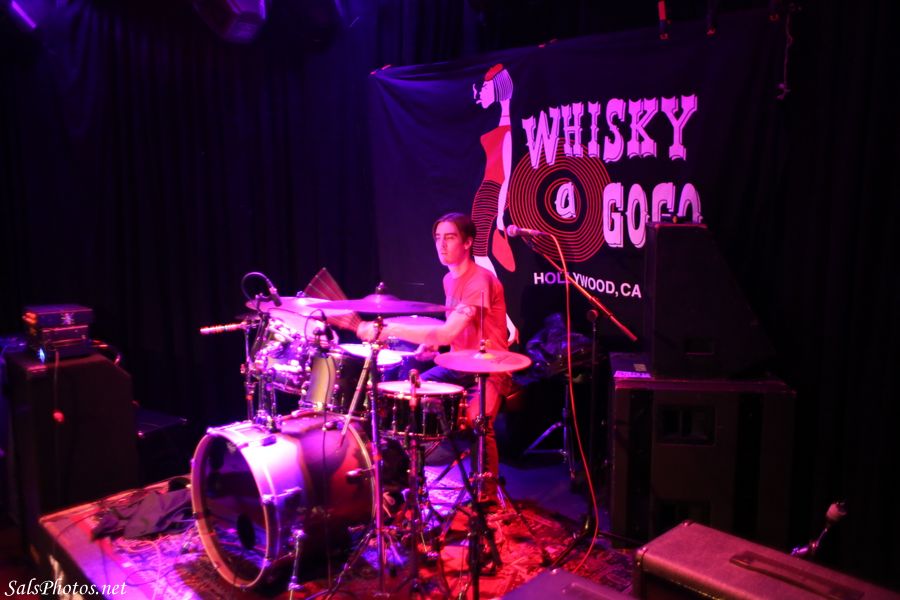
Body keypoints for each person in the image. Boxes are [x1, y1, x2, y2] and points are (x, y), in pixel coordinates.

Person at [356, 212, 511, 505]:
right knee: (403, 400)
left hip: (489, 370)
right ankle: (401, 484)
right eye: (438, 238)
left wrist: (386, 329)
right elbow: (454, 333)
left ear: (468, 242)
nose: (442, 245)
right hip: (457, 366)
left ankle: (487, 496)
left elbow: (447, 331)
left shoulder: (480, 280)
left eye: (449, 237)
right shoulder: (448, 279)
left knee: (478, 421)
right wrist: (434, 347)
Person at [472, 63, 518, 343]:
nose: (481, 93)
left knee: (480, 256)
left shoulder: (508, 130)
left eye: (487, 88)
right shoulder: (502, 123)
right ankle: (503, 321)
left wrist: (501, 213)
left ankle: (508, 323)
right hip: (486, 193)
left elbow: (507, 175)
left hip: (493, 193)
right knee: (479, 257)